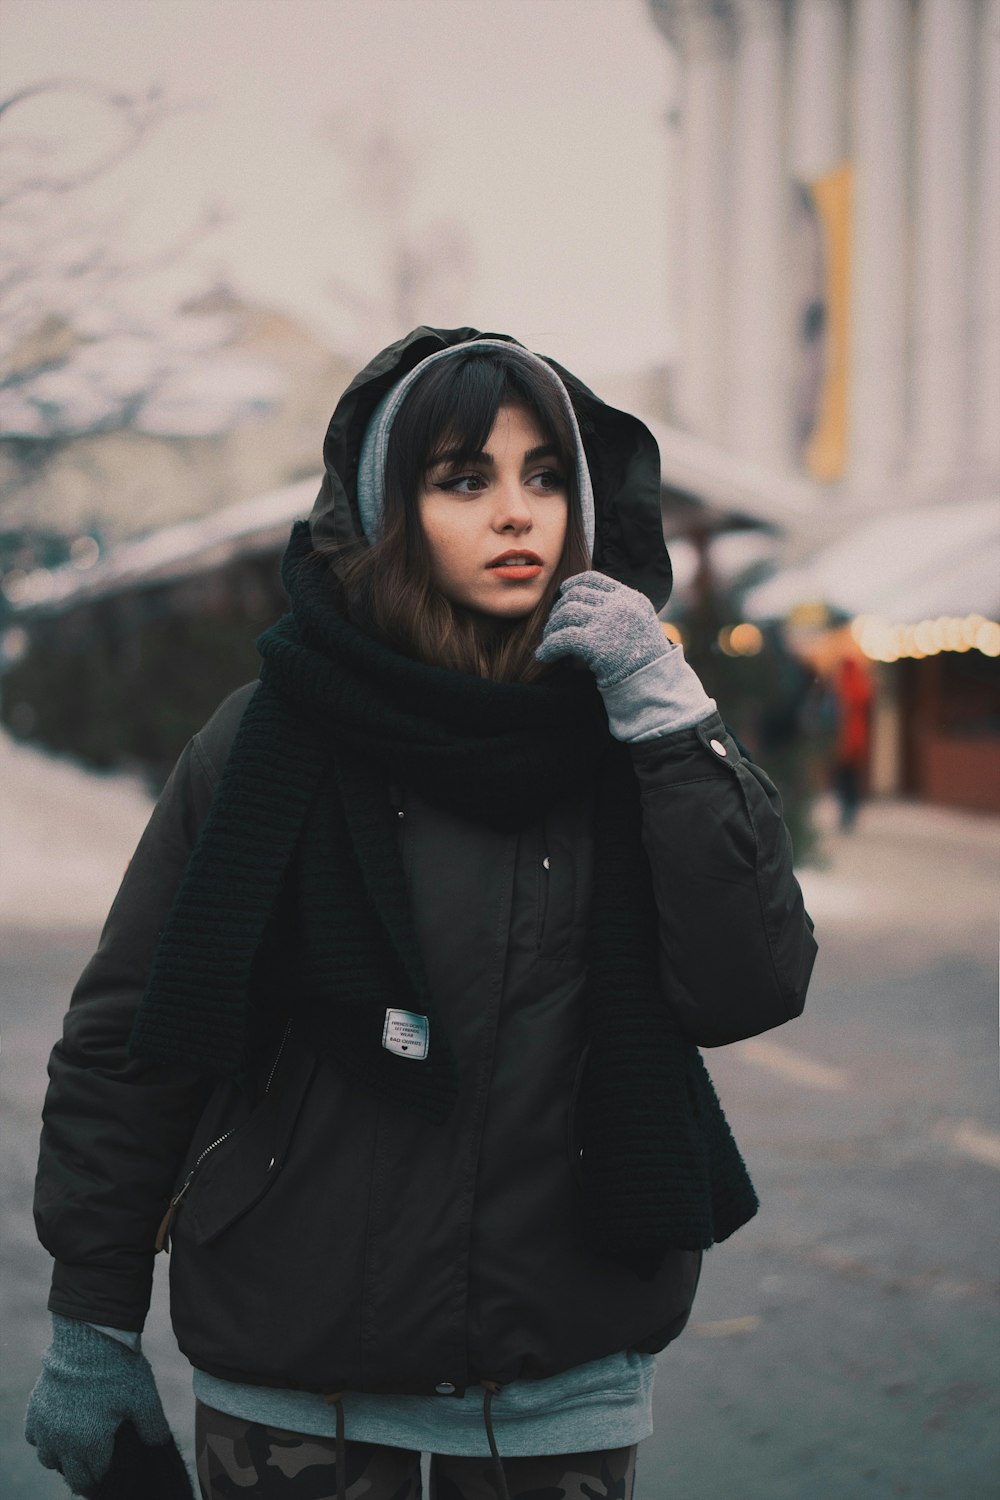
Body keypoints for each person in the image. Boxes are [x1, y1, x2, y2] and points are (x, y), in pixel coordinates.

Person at [25, 327, 817, 1500]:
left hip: (558, 1388)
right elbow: (129, 1041)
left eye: (545, 477)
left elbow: (747, 983)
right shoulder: (268, 739)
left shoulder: (634, 738)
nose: (516, 514)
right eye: (464, 479)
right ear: (390, 510)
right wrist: (92, 1325)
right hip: (297, 1386)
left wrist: (665, 709)